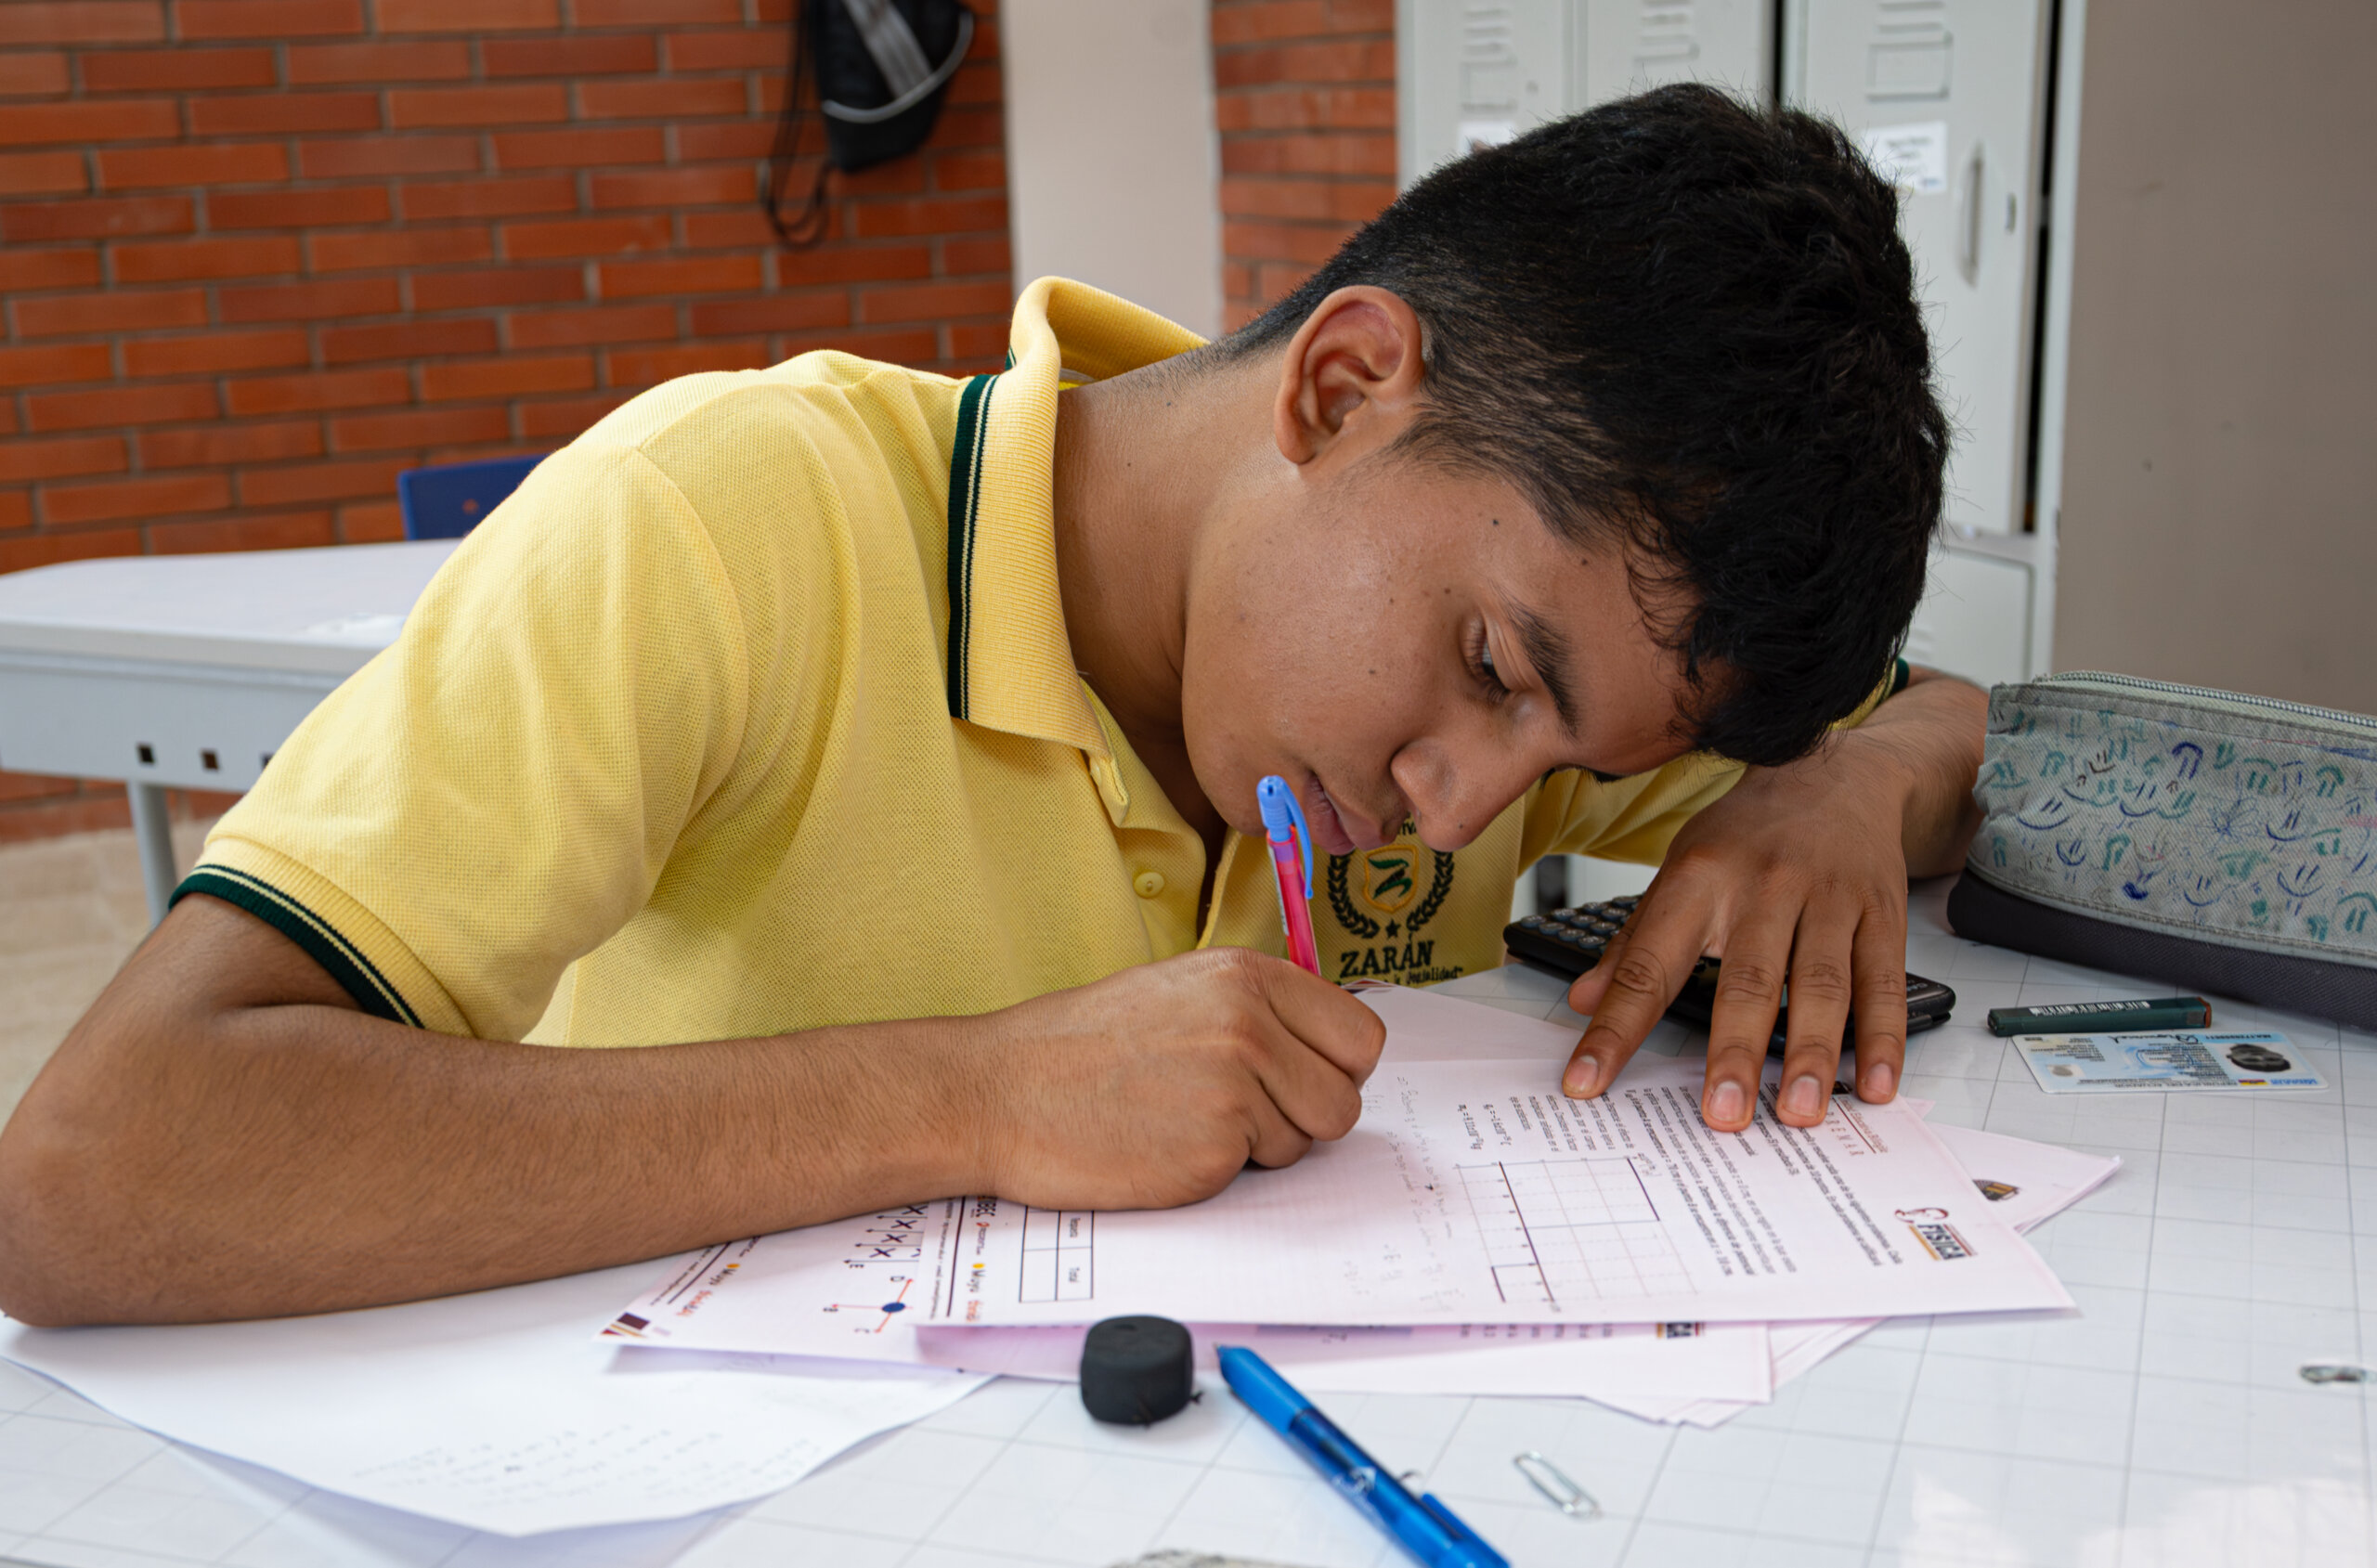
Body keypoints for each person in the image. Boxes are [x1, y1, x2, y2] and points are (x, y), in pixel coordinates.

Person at [0, 85, 1981, 1326]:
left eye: (1575, 762)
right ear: (1339, 387)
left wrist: (1837, 784)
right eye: (1487, 671)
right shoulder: (729, 524)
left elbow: (1973, 726)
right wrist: (973, 1095)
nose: (1464, 809)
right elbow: (95, 1173)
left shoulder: (1515, 690)